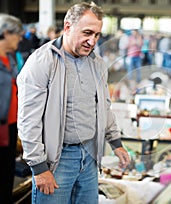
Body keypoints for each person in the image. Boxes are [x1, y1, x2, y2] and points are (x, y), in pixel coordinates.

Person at [17, 2, 130, 204]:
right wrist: (39, 168)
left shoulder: (96, 63)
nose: (92, 41)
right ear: (68, 27)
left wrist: (116, 142)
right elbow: (28, 120)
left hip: (89, 156)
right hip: (57, 161)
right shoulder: (42, 62)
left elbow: (104, 107)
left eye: (96, 35)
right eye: (87, 33)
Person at [0, 13, 23, 204]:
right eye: (18, 35)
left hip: (10, 126)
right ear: (6, 33)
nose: (20, 39)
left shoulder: (11, 59)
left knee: (7, 175)